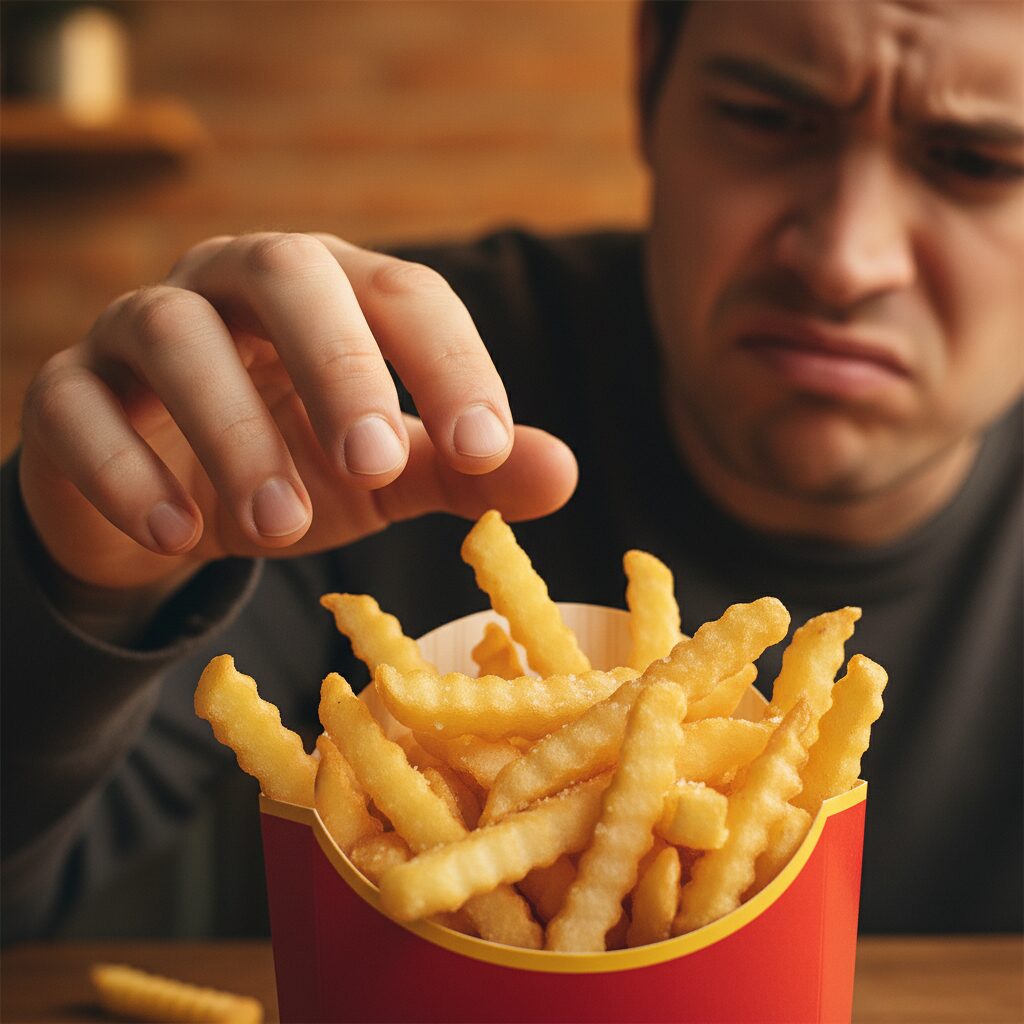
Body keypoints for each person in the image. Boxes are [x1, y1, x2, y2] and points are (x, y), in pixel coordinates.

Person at [3, 0, 1021, 943]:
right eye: (767, 116)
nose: (847, 255)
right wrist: (74, 587)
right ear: (648, 87)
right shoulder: (359, 397)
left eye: (977, 159)